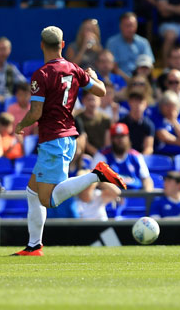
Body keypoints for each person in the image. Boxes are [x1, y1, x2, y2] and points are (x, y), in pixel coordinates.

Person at [12, 26, 126, 256]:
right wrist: (92, 76)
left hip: (53, 140)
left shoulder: (41, 74)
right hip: (66, 137)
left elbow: (35, 112)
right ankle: (34, 245)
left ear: (42, 45)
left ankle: (98, 174)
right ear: (63, 45)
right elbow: (102, 91)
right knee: (33, 193)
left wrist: (21, 125)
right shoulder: (74, 69)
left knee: (49, 200)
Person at [92, 123, 153, 191]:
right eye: (117, 137)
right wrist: (114, 190)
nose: (120, 140)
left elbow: (146, 178)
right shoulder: (102, 155)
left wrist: (148, 195)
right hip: (111, 196)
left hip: (135, 195)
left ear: (128, 137)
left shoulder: (136, 156)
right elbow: (95, 179)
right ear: (112, 139)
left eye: (123, 136)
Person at [105, 12, 155, 78]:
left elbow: (149, 64)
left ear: (136, 26)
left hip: (141, 80)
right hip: (119, 81)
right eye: (126, 26)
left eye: (132, 25)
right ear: (120, 26)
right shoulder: (112, 43)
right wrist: (129, 81)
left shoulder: (143, 42)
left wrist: (137, 80)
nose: (130, 29)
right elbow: (113, 67)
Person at [154, 91, 180, 156]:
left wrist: (173, 120)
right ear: (161, 106)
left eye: (173, 105)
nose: (170, 108)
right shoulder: (158, 120)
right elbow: (164, 136)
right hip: (163, 155)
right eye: (167, 105)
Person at [75, 91, 112, 157]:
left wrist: (103, 154)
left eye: (94, 99)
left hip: (103, 155)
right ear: (83, 100)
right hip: (84, 157)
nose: (92, 103)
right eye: (89, 99)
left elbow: (107, 142)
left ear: (99, 100)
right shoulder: (77, 119)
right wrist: (97, 154)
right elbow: (82, 140)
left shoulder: (105, 119)